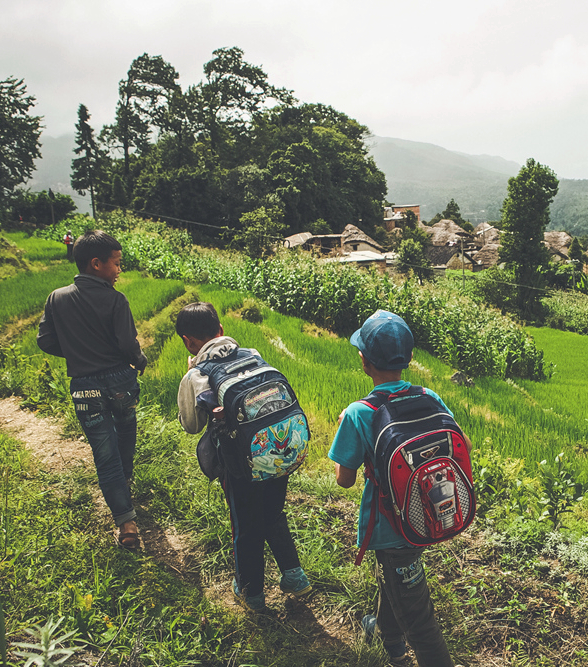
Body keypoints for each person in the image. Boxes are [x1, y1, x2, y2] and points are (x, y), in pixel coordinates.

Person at [329, 310, 457, 667]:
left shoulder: (359, 412)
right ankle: (390, 643)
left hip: (390, 528)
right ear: (410, 358)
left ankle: (407, 651)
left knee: (421, 622)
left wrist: (345, 427)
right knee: (394, 582)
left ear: (364, 361)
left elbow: (345, 479)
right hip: (429, 512)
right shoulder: (428, 395)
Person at [175, 302, 311, 612]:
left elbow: (191, 425)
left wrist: (191, 377)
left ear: (188, 342)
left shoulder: (198, 374)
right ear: (221, 330)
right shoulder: (253, 354)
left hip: (239, 465)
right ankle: (295, 576)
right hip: (278, 452)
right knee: (273, 513)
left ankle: (251, 594)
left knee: (245, 525)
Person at [37, 230, 146, 549]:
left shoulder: (57, 298)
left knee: (103, 451)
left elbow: (45, 340)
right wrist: (139, 359)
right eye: (116, 263)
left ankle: (126, 523)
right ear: (96, 264)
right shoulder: (116, 299)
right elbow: (127, 344)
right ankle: (124, 481)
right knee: (126, 430)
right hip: (119, 381)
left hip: (83, 387)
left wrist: (76, 351)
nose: (119, 270)